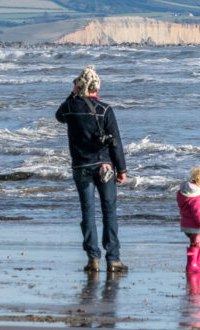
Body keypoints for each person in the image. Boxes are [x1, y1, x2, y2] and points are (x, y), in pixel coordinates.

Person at [56, 65, 128, 274]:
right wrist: (121, 168)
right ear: (97, 88)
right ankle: (113, 259)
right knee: (109, 211)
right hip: (104, 166)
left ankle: (93, 258)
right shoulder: (105, 109)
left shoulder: (71, 107)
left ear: (79, 86)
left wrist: (73, 93)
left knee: (87, 212)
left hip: (81, 166)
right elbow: (116, 142)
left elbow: (59, 115)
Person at [177, 166, 200, 273]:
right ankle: (191, 264)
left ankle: (199, 260)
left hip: (186, 222)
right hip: (195, 225)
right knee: (196, 242)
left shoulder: (184, 192)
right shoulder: (198, 196)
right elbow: (199, 213)